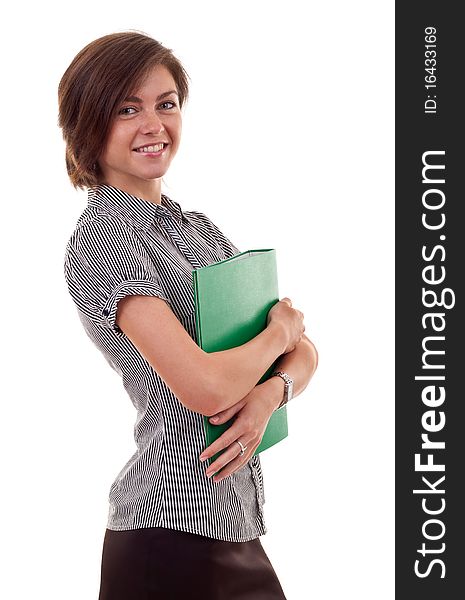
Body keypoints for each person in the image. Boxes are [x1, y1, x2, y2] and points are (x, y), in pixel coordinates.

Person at [59, 30, 318, 600]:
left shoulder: (195, 229)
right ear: (87, 124)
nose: (153, 124)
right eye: (127, 109)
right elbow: (207, 386)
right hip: (167, 533)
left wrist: (270, 392)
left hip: (231, 524)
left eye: (166, 103)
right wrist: (276, 335)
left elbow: (307, 352)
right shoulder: (107, 238)